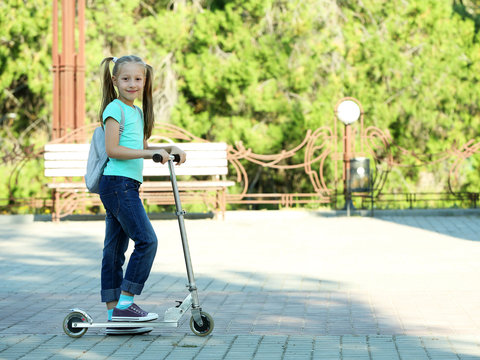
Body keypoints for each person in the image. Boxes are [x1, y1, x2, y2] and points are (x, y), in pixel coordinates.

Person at [98, 55, 186, 335]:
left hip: (125, 185)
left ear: (145, 80)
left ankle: (115, 314)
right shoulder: (115, 109)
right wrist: (150, 153)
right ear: (115, 81)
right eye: (126, 79)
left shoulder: (136, 112)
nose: (132, 84)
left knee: (114, 251)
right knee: (147, 241)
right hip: (117, 184)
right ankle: (126, 303)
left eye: (138, 79)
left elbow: (143, 147)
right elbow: (113, 149)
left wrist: (169, 148)